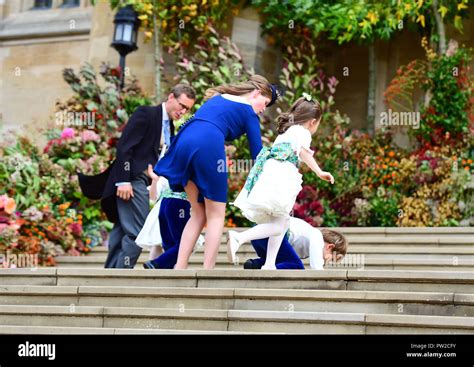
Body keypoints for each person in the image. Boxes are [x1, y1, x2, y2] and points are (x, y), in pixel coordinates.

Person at [154, 75, 281, 269]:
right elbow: (258, 154)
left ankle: (179, 268)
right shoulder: (249, 113)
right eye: (265, 103)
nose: (264, 109)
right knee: (216, 214)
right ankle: (207, 270)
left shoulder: (218, 98)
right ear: (256, 93)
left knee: (197, 213)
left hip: (184, 140)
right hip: (208, 145)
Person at [78, 84, 196, 268]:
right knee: (138, 231)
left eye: (188, 109)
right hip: (132, 180)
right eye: (182, 105)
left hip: (145, 181)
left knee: (121, 229)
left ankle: (109, 277)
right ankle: (123, 275)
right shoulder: (146, 113)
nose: (183, 111)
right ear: (171, 97)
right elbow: (125, 146)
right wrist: (124, 181)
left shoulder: (170, 127)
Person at [228, 94, 334, 269]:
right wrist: (320, 171)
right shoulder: (302, 132)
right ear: (313, 121)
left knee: (281, 223)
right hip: (282, 175)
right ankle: (240, 237)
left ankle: (269, 263)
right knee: (279, 224)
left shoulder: (288, 131)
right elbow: (304, 153)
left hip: (272, 173)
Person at [136, 165, 204, 269]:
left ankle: (162, 268)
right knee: (184, 243)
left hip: (165, 204)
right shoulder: (190, 162)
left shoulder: (170, 165)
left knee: (170, 245)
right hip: (179, 203)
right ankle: (156, 263)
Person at [242, 217, 348, 270]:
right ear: (330, 246)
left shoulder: (309, 246)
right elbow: (317, 268)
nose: (327, 262)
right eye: (331, 258)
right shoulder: (316, 235)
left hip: (259, 237)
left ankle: (255, 264)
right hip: (270, 234)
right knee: (297, 266)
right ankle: (264, 268)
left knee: (283, 260)